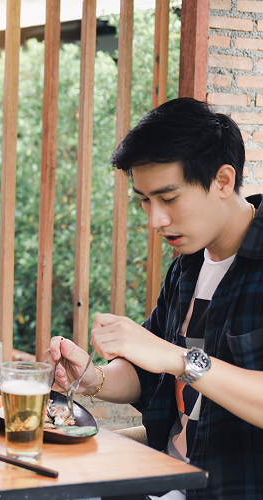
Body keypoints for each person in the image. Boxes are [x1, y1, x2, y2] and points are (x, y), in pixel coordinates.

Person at [44, 98, 263, 499]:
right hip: (162, 481)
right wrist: (92, 378)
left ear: (223, 181)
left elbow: (166, 358)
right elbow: (149, 375)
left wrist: (177, 358)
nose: (155, 220)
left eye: (169, 198)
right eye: (145, 200)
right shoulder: (187, 265)